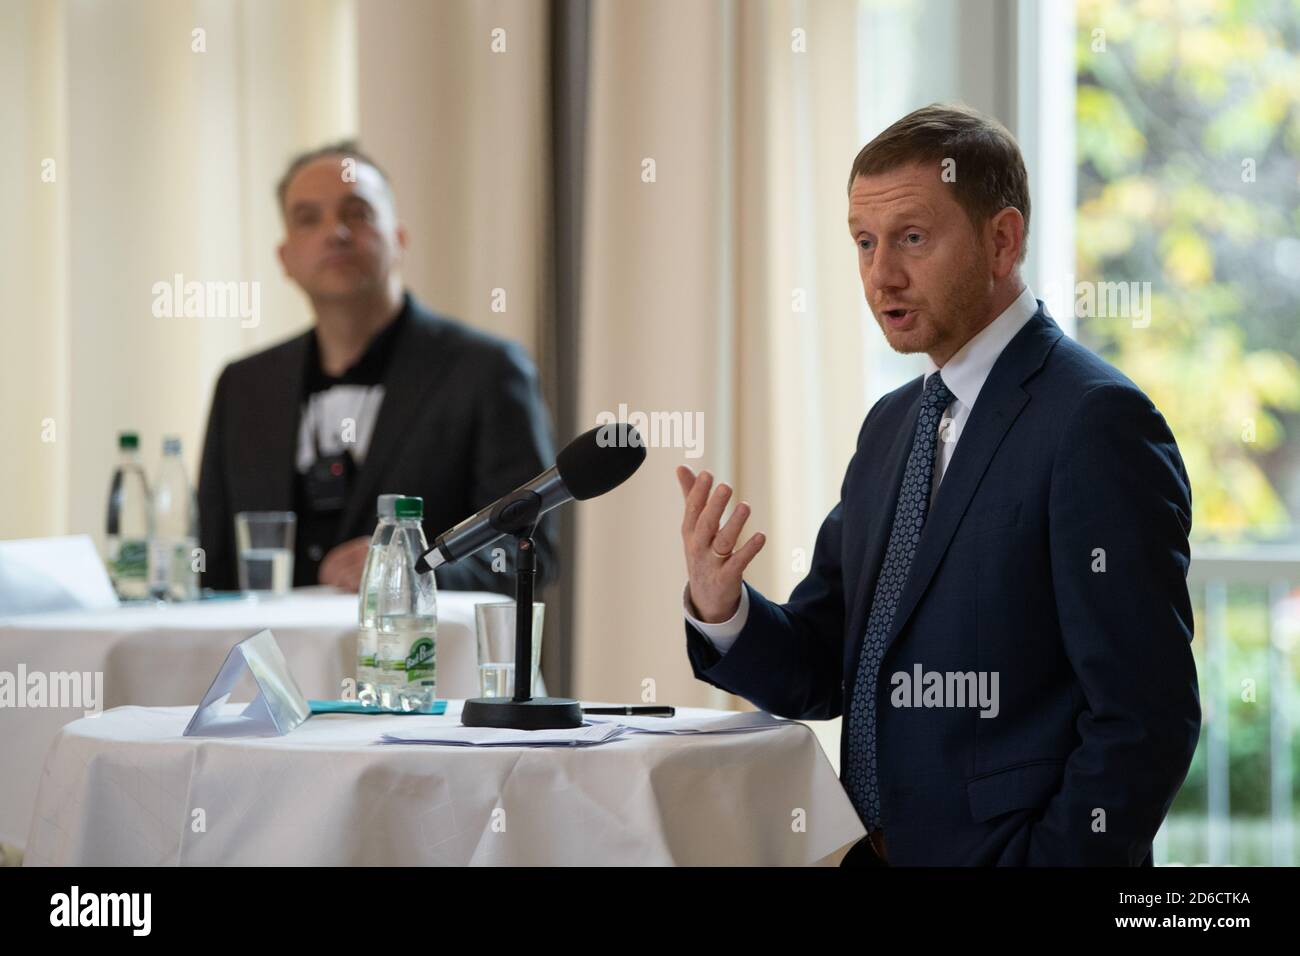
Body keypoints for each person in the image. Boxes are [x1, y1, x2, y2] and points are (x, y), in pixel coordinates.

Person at [676, 104, 1200, 866]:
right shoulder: (892, 426)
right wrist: (723, 611)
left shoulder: (1095, 422)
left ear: (1002, 239)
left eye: (912, 239)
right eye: (864, 242)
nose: (881, 273)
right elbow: (824, 668)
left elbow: (1146, 719)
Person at [198, 141, 557, 594]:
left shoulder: (488, 371)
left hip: (427, 659)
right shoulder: (243, 386)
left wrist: (415, 570)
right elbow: (208, 562)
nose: (336, 232)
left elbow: (530, 552)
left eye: (358, 212)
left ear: (399, 239)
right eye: (309, 218)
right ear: (285, 258)